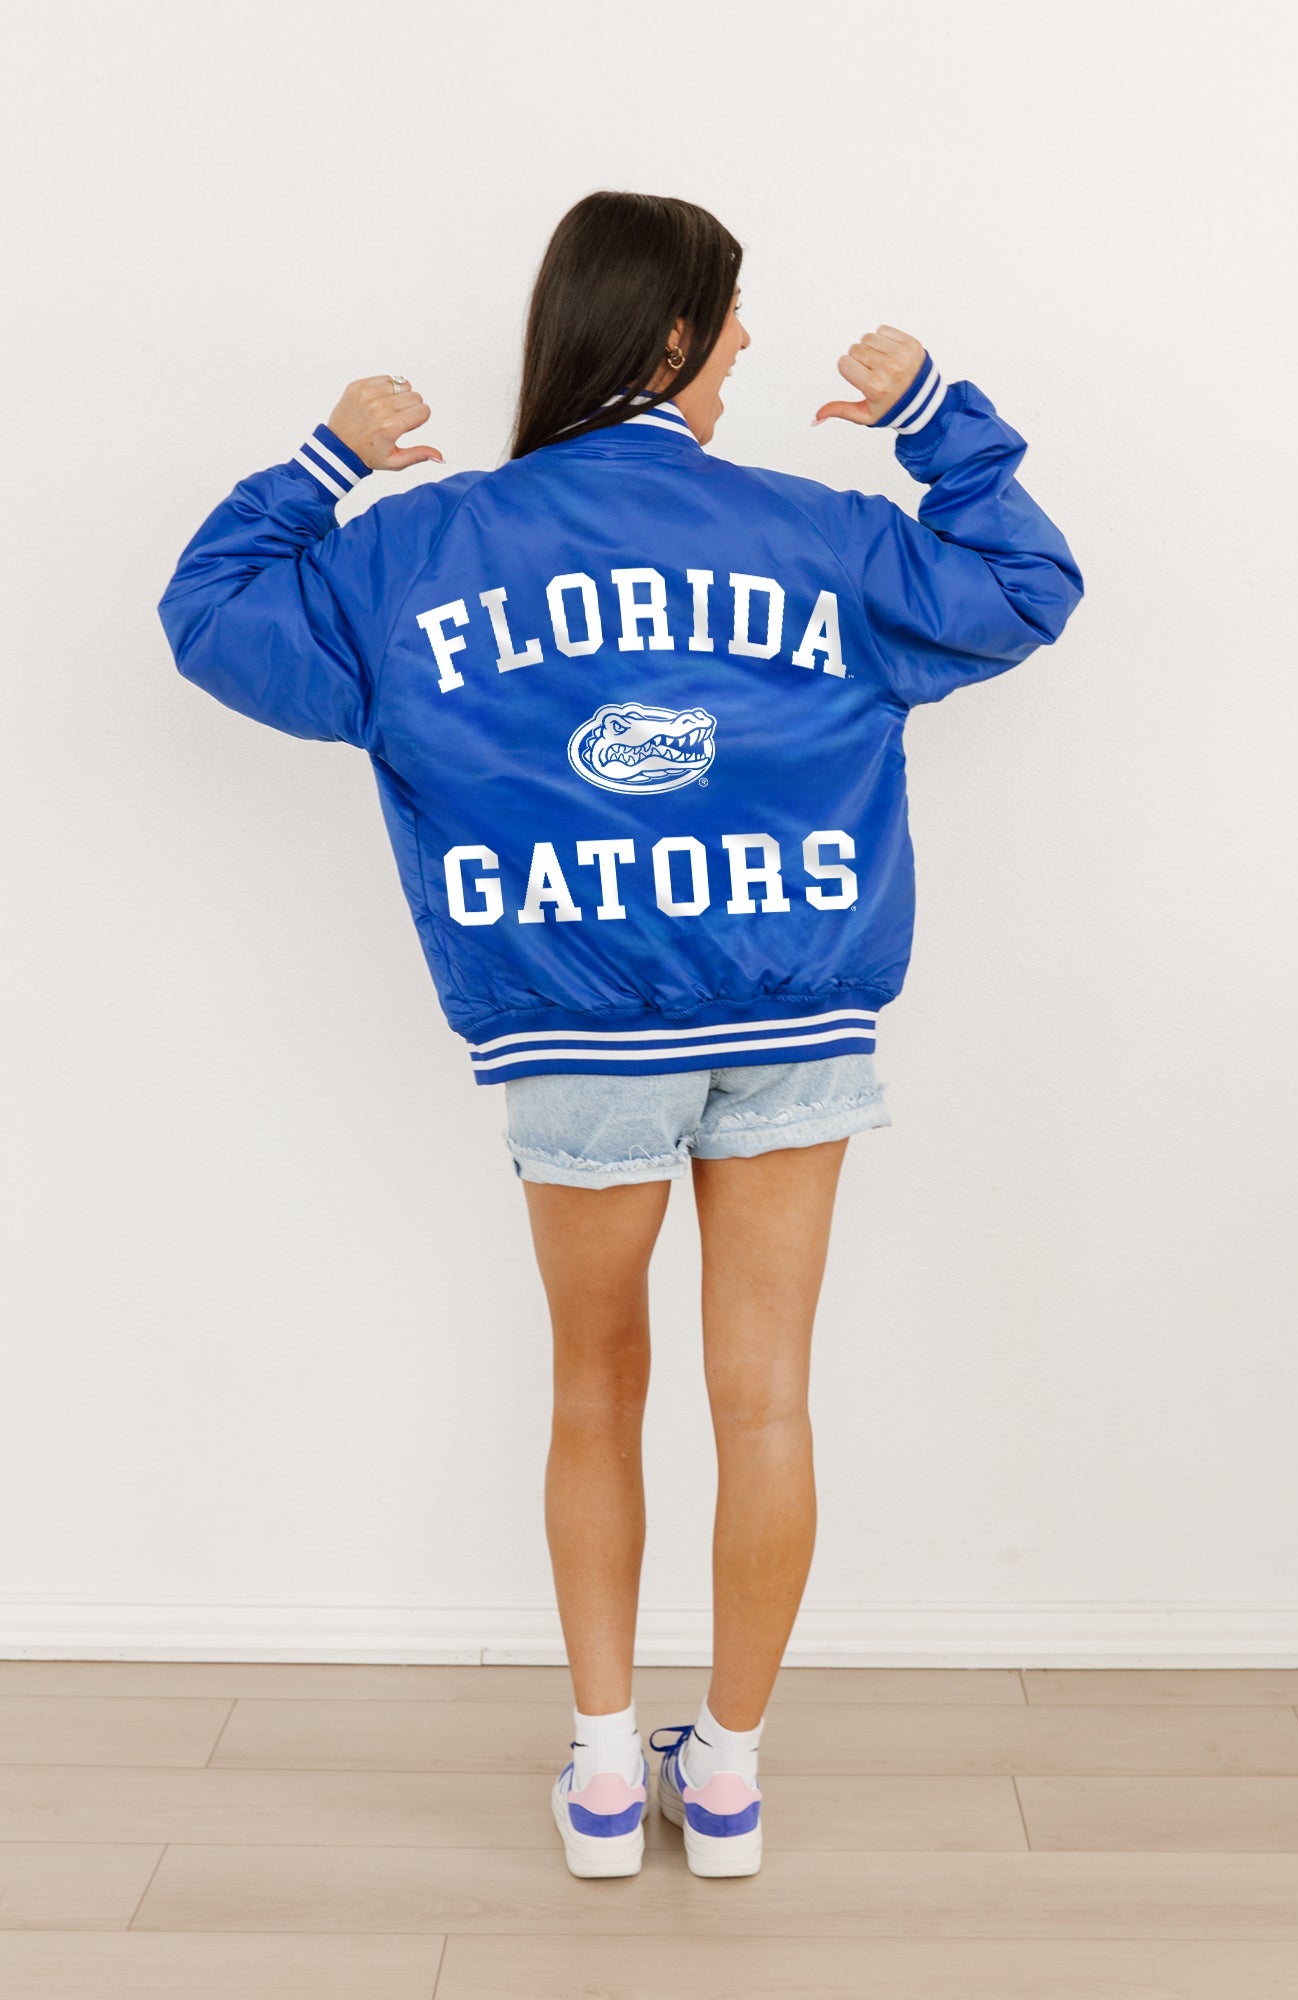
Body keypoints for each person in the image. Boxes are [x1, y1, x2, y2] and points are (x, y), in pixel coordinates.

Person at [157, 190, 1084, 1881]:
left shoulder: (420, 553)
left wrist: (323, 459)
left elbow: (211, 616)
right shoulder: (814, 538)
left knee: (593, 1385)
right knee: (768, 1402)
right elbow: (1024, 585)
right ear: (668, 334)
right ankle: (722, 1782)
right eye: (730, 315)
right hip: (791, 1013)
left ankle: (601, 1777)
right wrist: (939, 420)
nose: (748, 342)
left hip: (573, 1034)